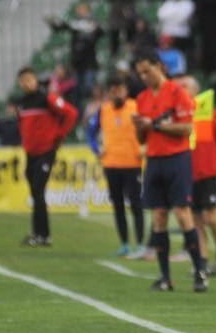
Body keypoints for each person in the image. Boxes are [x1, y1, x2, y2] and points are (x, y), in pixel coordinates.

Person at [132, 51, 208, 292]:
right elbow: (142, 137)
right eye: (140, 73)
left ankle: (199, 272)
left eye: (147, 70)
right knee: (159, 217)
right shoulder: (142, 98)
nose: (144, 76)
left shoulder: (178, 92)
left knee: (183, 214)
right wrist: (140, 128)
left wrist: (154, 124)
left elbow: (186, 128)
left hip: (177, 159)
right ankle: (166, 277)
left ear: (160, 67)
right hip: (153, 160)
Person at [177, 76, 216, 275]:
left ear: (195, 90)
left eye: (184, 87)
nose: (181, 90)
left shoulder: (211, 113)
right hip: (188, 174)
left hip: (208, 173)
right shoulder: (179, 115)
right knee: (196, 220)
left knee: (210, 218)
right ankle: (202, 262)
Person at [15, 67, 79, 247]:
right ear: (20, 84)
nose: (27, 83)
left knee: (38, 189)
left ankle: (42, 234)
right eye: (23, 80)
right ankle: (40, 234)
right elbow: (22, 126)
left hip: (45, 151)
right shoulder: (22, 103)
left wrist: (59, 135)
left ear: (35, 79)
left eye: (29, 79)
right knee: (36, 192)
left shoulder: (47, 98)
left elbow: (71, 113)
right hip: (31, 153)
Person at [86, 76, 145, 258]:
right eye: (113, 90)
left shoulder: (136, 107)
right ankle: (125, 244)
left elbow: (148, 129)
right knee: (118, 206)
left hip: (133, 163)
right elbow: (90, 132)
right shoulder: (103, 110)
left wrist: (144, 148)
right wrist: (96, 149)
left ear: (126, 91)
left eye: (120, 90)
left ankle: (141, 245)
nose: (117, 93)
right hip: (111, 164)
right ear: (109, 93)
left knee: (136, 205)